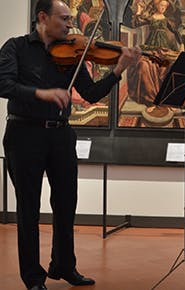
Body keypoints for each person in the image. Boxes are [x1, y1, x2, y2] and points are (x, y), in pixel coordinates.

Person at [0, 1, 141, 289]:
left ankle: (64, 266)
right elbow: (3, 85)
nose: (69, 25)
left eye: (70, 19)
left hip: (61, 135)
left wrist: (118, 71)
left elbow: (89, 94)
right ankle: (33, 278)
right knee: (29, 209)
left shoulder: (72, 52)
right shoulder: (15, 47)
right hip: (24, 133)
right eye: (64, 19)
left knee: (66, 204)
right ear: (42, 17)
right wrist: (42, 93)